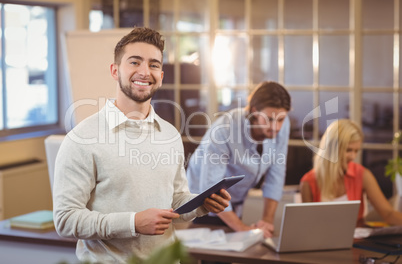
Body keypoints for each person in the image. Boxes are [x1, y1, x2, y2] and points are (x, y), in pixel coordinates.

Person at [52, 27, 231, 263]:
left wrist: (201, 205)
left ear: (161, 75)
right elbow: (65, 220)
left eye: (154, 64)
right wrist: (133, 223)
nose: (145, 72)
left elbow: (175, 201)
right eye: (134, 62)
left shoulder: (169, 134)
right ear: (115, 71)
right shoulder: (82, 138)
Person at [186, 81, 291, 238]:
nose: (276, 127)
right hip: (203, 202)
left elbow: (276, 175)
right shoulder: (223, 131)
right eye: (269, 119)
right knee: (214, 257)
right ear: (255, 111)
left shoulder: (283, 124)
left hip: (233, 202)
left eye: (281, 119)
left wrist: (267, 221)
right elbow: (211, 190)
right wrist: (243, 229)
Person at [300, 119, 402, 225]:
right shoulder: (308, 182)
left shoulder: (362, 174)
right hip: (323, 241)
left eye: (356, 151)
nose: (353, 156)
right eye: (348, 150)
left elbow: (388, 214)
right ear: (332, 148)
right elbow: (309, 226)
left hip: (357, 240)